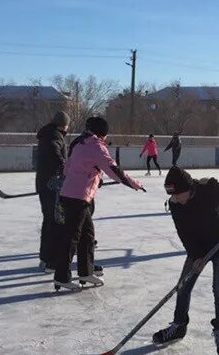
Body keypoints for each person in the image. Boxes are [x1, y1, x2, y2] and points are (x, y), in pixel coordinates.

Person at [153, 167, 219, 355]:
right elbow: (184, 233)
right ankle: (179, 325)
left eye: (179, 194)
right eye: (172, 195)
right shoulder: (175, 204)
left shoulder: (210, 189)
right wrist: (196, 255)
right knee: (183, 285)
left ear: (189, 188)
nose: (176, 199)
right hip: (198, 248)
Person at [51, 116, 145, 291]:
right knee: (72, 237)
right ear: (102, 133)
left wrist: (93, 176)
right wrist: (135, 184)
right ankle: (61, 277)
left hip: (74, 195)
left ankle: (85, 271)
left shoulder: (79, 143)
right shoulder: (96, 147)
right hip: (77, 197)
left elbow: (68, 169)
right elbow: (114, 170)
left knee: (87, 235)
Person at [34, 111, 69, 272]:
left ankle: (46, 257)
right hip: (51, 185)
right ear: (63, 124)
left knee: (50, 219)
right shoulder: (54, 135)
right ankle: (49, 260)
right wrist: (66, 167)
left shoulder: (48, 133)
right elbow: (55, 154)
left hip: (46, 183)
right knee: (53, 221)